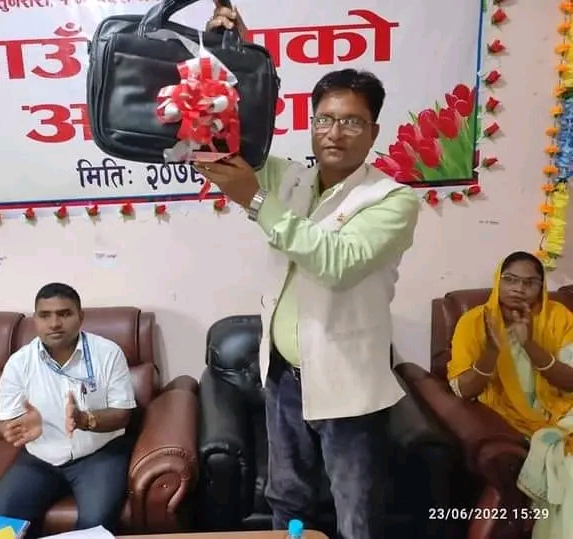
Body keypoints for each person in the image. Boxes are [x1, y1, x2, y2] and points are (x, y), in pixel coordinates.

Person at [199, 5, 420, 539]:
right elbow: (231, 143)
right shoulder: (292, 180)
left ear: (374, 130)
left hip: (347, 382)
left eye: (351, 121)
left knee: (354, 508)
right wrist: (232, 59)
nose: (334, 132)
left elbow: (336, 264)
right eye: (324, 119)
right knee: (287, 496)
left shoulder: (392, 199)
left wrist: (256, 202)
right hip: (283, 377)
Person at [0, 283, 137, 538]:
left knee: (95, 525)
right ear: (35, 320)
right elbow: (7, 421)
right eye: (45, 315)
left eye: (64, 314)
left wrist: (84, 420)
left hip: (99, 454)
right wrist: (17, 426)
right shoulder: (19, 363)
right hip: (39, 458)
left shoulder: (108, 353)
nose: (54, 323)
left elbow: (123, 415)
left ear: (81, 316)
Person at [448, 251, 573, 539]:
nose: (519, 288)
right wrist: (492, 351)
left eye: (530, 282)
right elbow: (463, 391)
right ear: (498, 281)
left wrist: (529, 345)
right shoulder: (473, 322)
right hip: (516, 419)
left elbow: (570, 381)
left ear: (541, 286)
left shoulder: (558, 317)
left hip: (564, 410)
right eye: (511, 280)